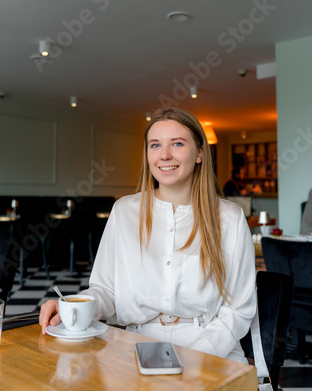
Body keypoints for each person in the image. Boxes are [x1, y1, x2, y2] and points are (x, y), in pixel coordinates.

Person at [39, 107, 256, 363]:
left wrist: (191, 357)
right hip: (135, 345)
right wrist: (75, 305)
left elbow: (238, 309)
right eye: (155, 145)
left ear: (199, 153)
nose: (164, 155)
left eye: (177, 143)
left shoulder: (229, 217)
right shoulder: (124, 211)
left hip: (211, 347)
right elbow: (106, 290)